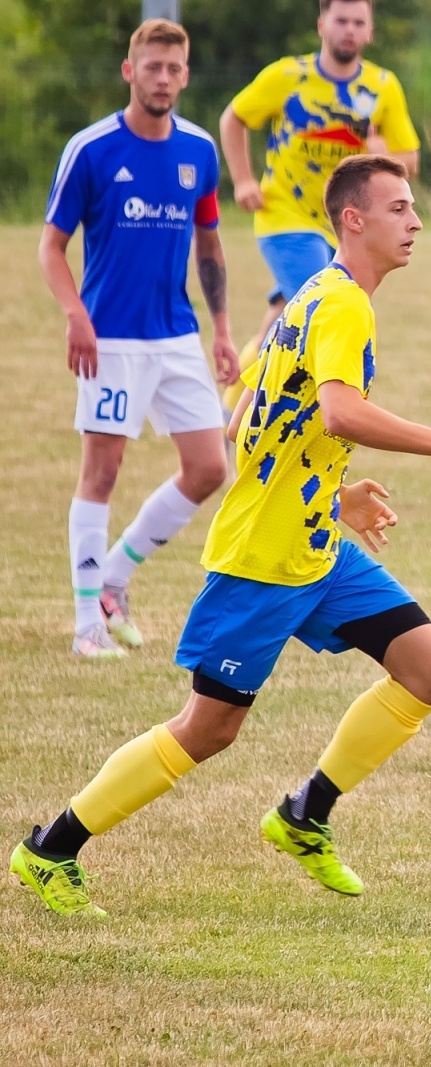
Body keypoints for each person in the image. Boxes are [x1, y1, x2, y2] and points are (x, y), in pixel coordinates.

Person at [10, 156, 431, 918]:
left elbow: (249, 422)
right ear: (354, 221)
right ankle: (51, 848)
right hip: (264, 561)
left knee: (429, 669)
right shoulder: (340, 307)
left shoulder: (309, 299)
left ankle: (305, 813)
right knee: (208, 728)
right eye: (400, 208)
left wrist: (333, 497)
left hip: (314, 548)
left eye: (415, 207)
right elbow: (336, 412)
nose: (417, 221)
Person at [39, 19, 239, 660]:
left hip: (177, 334)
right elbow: (50, 247)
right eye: (152, 67)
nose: (163, 78)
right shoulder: (92, 149)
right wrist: (76, 315)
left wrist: (223, 331)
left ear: (185, 75)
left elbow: (209, 245)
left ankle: (115, 580)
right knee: (101, 473)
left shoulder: (200, 150)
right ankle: (86, 627)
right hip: (112, 340)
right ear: (130, 71)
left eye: (174, 69)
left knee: (210, 467)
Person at [219, 0, 420, 411]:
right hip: (285, 216)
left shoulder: (383, 87)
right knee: (319, 310)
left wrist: (376, 147)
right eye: (340, 20)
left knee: (283, 317)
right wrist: (242, 180)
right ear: (321, 25)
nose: (349, 29)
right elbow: (234, 117)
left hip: (347, 226)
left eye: (358, 22)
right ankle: (282, 412)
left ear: (370, 32)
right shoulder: (288, 76)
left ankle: (232, 407)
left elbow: (408, 163)